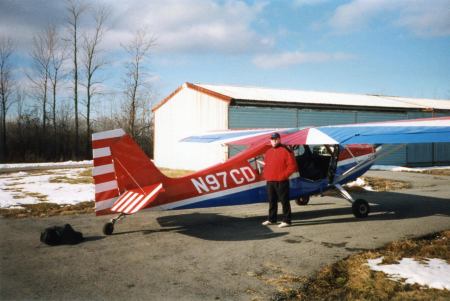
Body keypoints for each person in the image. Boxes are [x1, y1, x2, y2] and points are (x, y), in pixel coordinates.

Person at [262, 132, 298, 228]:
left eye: (276, 139)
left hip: (281, 181)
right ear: (270, 140)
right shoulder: (268, 152)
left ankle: (287, 220)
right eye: (272, 139)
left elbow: (292, 167)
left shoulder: (286, 150)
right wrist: (266, 175)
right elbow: (266, 165)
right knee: (271, 200)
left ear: (279, 139)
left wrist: (283, 176)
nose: (274, 141)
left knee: (284, 201)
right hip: (270, 180)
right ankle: (272, 219)